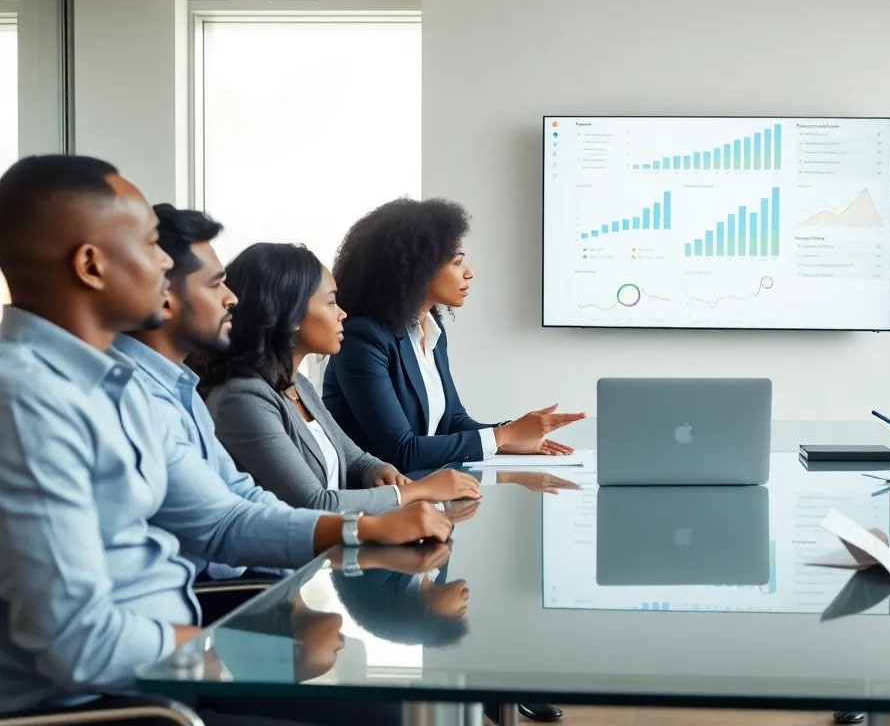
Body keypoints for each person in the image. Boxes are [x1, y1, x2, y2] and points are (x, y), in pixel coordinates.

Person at [0, 155, 455, 725]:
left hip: (168, 659)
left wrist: (363, 529)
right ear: (91, 265)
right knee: (390, 716)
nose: (164, 263)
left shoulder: (117, 384)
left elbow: (222, 518)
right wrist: (214, 655)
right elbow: (79, 643)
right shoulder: (27, 400)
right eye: (150, 243)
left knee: (397, 708)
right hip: (106, 703)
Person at [196, 242, 481, 514]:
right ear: (290, 315)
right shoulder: (243, 398)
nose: (343, 314)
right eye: (331, 302)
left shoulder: (298, 385)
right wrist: (417, 491)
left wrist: (378, 470)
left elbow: (356, 459)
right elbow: (315, 504)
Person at [112, 204, 289, 615]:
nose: (232, 298)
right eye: (215, 284)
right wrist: (347, 532)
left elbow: (239, 491)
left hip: (222, 589)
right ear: (165, 299)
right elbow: (222, 524)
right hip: (191, 604)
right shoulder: (136, 394)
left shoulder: (181, 387)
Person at [324, 197, 585, 473]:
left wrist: (512, 438)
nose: (469, 273)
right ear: (417, 268)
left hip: (424, 487)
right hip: (375, 495)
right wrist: (503, 435)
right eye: (457, 262)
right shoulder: (362, 339)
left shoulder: (431, 329)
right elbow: (401, 451)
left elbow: (453, 422)